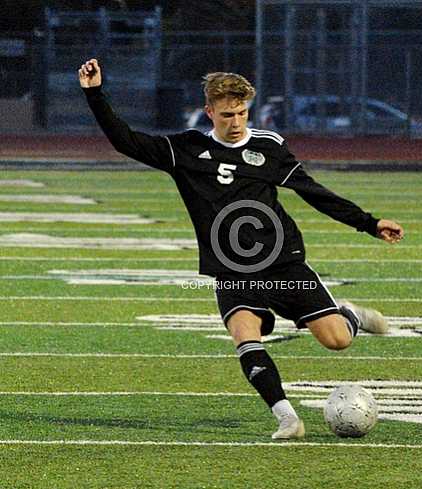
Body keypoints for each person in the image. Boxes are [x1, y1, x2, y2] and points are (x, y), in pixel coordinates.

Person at [79, 59, 404, 440]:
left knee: (336, 340)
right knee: (244, 334)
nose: (235, 123)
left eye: (242, 113)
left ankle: (348, 315)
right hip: (231, 269)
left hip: (283, 262)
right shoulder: (185, 149)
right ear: (209, 112)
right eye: (227, 114)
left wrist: (368, 222)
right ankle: (287, 418)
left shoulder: (269, 148)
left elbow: (313, 193)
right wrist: (94, 93)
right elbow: (125, 140)